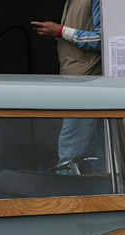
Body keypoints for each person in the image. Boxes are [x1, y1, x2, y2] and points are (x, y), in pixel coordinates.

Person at [31, 0, 104, 173]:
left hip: (85, 81)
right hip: (78, 79)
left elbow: (101, 39)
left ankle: (65, 192)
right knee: (100, 147)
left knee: (71, 147)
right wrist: (58, 33)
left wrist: (61, 31)